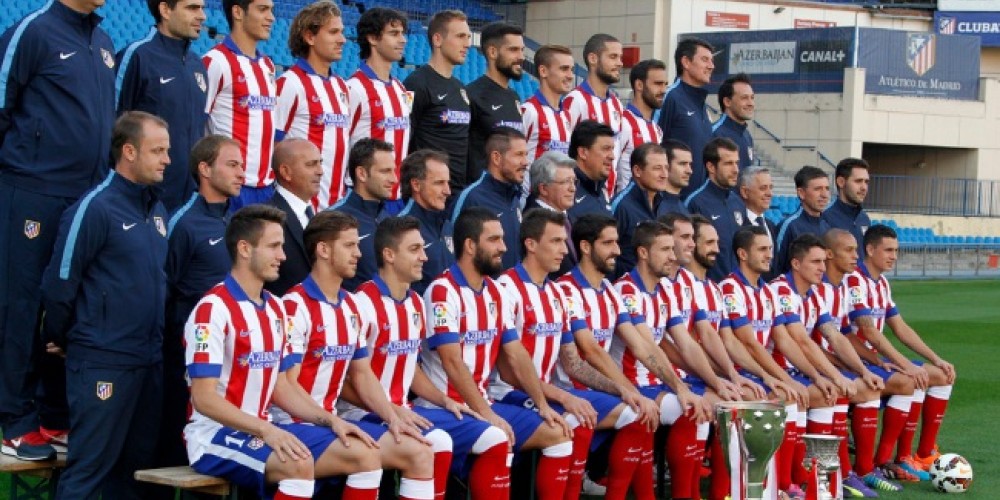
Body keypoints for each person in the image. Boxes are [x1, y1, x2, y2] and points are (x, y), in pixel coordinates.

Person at [183, 205, 386, 500]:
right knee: (298, 464)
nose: (283, 256)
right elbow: (204, 398)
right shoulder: (212, 310)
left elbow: (281, 387)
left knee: (365, 455)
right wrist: (266, 430)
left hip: (264, 427)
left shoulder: (276, 309)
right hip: (214, 434)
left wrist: (331, 420)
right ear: (244, 249)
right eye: (274, 246)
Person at [0, 0, 116, 459]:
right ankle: (14, 419)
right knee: (21, 303)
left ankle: (51, 415)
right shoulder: (32, 32)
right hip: (31, 188)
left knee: (66, 304)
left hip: (85, 196)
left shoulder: (103, 40)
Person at [40, 111, 170, 497]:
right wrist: (66, 337)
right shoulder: (95, 207)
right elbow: (60, 281)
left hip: (149, 360)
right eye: (157, 151)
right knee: (89, 470)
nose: (167, 160)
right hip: (103, 360)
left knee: (135, 474)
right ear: (129, 151)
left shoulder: (158, 211)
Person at [494, 208, 664, 500]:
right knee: (576, 422)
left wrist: (624, 390)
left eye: (564, 241)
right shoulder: (506, 289)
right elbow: (511, 371)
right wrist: (564, 397)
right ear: (531, 244)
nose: (564, 250)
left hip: (547, 390)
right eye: (556, 241)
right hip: (507, 391)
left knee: (636, 412)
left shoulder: (554, 293)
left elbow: (573, 363)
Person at [349, 216, 508, 499]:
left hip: (403, 409)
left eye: (423, 248)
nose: (424, 256)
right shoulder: (362, 304)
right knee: (437, 442)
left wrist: (444, 400)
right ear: (389, 255)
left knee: (493, 438)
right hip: (362, 413)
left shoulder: (414, 302)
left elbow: (410, 368)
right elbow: (348, 377)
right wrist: (389, 410)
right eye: (414, 249)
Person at [281, 211, 435, 499]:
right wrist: (330, 420)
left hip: (330, 423)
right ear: (323, 250)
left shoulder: (351, 306)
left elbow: (362, 374)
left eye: (358, 245)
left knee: (421, 451)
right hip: (292, 424)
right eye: (349, 245)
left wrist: (392, 416)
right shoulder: (295, 306)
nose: (359, 254)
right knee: (367, 457)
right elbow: (286, 385)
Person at [421, 207, 574, 497]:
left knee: (560, 433)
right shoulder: (442, 291)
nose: (503, 247)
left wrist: (541, 403)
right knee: (497, 437)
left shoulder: (496, 291)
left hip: (484, 401)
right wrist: (486, 413)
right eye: (493, 240)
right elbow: (452, 362)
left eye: (502, 239)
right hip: (445, 406)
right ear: (470, 245)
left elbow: (516, 354)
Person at [557, 214, 709, 500]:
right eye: (608, 243)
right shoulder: (569, 289)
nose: (617, 250)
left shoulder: (609, 291)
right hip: (576, 388)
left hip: (610, 388)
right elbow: (590, 350)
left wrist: (681, 387)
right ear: (586, 247)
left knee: (688, 406)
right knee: (640, 413)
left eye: (617, 242)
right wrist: (629, 391)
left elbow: (644, 345)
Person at [721, 226, 847, 499]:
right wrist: (782, 379)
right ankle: (781, 483)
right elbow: (749, 343)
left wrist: (818, 377)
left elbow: (785, 340)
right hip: (740, 372)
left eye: (770, 248)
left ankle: (806, 479)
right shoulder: (730, 288)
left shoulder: (766, 291)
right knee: (790, 396)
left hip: (768, 372)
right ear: (743, 254)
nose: (769, 254)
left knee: (823, 394)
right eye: (762, 249)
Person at [614, 220, 732, 500]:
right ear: (643, 253)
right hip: (631, 383)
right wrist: (680, 387)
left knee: (710, 405)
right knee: (691, 408)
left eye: (672, 248)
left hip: (657, 383)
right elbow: (646, 347)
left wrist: (718, 381)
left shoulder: (665, 289)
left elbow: (687, 343)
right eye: (665, 249)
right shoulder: (626, 290)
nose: (672, 255)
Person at [843, 225, 957, 484]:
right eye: (888, 250)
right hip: (855, 362)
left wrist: (936, 358)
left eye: (896, 251)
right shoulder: (854, 281)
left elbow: (900, 327)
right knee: (910, 379)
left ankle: (921, 454)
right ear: (870, 249)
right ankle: (884, 461)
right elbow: (868, 331)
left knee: (941, 375)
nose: (894, 256)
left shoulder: (881, 283)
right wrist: (905, 364)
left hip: (875, 361)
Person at [161, 134, 244, 481]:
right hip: (190, 358)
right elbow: (164, 289)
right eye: (232, 165)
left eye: (242, 165)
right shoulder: (183, 222)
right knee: (177, 447)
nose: (242, 173)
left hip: (237, 356)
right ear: (205, 169)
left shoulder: (238, 221)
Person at [776, 234, 884, 498]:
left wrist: (864, 371)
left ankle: (826, 477)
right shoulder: (780, 290)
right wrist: (832, 376)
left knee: (858, 389)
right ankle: (802, 480)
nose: (822, 268)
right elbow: (801, 341)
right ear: (796, 264)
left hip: (800, 371)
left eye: (823, 262)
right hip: (780, 371)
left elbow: (834, 335)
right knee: (826, 394)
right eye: (816, 262)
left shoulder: (813, 294)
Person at [821, 228, 915, 493]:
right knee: (853, 390)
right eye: (849, 250)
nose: (856, 255)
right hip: (812, 368)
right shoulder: (827, 289)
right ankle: (844, 473)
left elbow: (845, 335)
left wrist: (871, 364)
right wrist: (857, 369)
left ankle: (870, 467)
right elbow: (807, 343)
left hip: (839, 363)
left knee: (911, 380)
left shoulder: (843, 288)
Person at [116, 0, 208, 212]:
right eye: (192, 8)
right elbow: (112, 123)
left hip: (188, 200)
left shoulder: (197, 65)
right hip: (143, 199)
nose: (202, 16)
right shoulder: (137, 56)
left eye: (202, 8)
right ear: (165, 9)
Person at [275, 0, 352, 209]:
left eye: (342, 32)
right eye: (333, 32)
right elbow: (274, 145)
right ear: (310, 37)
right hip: (303, 207)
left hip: (337, 207)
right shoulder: (289, 84)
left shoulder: (341, 86)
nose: (342, 39)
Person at [203, 0, 278, 210]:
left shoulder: (267, 65)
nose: (271, 17)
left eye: (271, 10)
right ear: (237, 12)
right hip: (230, 188)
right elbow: (197, 123)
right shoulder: (215, 62)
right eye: (262, 9)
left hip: (266, 187)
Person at [347, 7, 410, 212]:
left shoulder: (400, 88)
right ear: (373, 38)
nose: (402, 40)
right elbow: (341, 142)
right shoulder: (354, 88)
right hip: (365, 199)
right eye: (394, 33)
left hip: (396, 197)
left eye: (402, 33)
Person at [403, 10, 472, 193]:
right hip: (428, 191)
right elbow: (404, 136)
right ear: (437, 40)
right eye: (460, 36)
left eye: (468, 37)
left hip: (457, 191)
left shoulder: (460, 88)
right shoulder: (415, 83)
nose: (467, 44)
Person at [450, 128, 528, 271]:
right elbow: (452, 251)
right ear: (496, 158)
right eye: (519, 155)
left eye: (526, 155)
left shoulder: (515, 196)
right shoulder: (472, 197)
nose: (525, 162)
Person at [562, 34, 624, 200]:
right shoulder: (575, 100)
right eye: (613, 57)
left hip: (607, 196)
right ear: (593, 59)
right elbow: (566, 150)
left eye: (620, 57)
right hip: (580, 194)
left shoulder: (616, 104)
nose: (620, 63)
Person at [328, 139, 394, 291]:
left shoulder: (389, 218)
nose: (394, 179)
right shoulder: (333, 219)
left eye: (393, 171)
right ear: (362, 174)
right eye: (385, 171)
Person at [466, 22, 527, 182]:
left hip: (510, 190)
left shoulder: (514, 97)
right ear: (492, 52)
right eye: (513, 50)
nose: (521, 57)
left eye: (522, 50)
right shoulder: (472, 95)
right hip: (482, 190)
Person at [658, 37, 715, 198]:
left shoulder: (703, 106)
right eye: (705, 60)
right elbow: (653, 145)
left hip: (697, 202)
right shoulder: (669, 98)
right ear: (686, 62)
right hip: (672, 201)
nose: (711, 66)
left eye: (711, 61)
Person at [265, 139, 324, 296]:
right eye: (311, 164)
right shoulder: (265, 218)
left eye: (320, 163)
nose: (320, 171)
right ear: (286, 172)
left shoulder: (315, 215)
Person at [684, 137, 746, 281]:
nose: (736, 170)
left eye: (736, 163)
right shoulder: (695, 203)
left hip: (735, 289)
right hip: (706, 286)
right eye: (728, 163)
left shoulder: (738, 202)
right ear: (711, 167)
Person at [397, 150, 455, 295]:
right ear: (416, 185)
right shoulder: (400, 228)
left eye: (448, 183)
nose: (447, 191)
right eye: (439, 183)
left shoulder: (447, 225)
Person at [611, 143, 670, 278]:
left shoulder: (663, 203)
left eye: (666, 168)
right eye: (657, 168)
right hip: (625, 286)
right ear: (637, 171)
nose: (664, 174)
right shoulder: (621, 205)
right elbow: (605, 251)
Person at [525, 152, 578, 278]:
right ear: (543, 188)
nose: (573, 188)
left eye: (574, 181)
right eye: (566, 182)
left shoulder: (569, 217)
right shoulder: (532, 221)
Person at [617, 59, 667, 191]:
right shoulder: (622, 122)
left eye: (665, 84)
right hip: (626, 200)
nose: (663, 90)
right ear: (639, 85)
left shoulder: (657, 130)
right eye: (658, 84)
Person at [521, 45, 574, 167]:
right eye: (564, 69)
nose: (570, 75)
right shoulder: (529, 111)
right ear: (543, 71)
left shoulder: (566, 114)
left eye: (572, 69)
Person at [774, 166, 831, 275]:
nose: (824, 195)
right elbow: (776, 267)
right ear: (801, 193)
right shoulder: (789, 226)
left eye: (827, 189)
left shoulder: (827, 226)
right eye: (818, 189)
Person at [566, 120, 617, 222]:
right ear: (583, 153)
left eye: (612, 149)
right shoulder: (565, 190)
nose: (612, 156)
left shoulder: (601, 188)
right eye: (605, 149)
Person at [822, 158, 872, 257]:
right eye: (858, 181)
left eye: (866, 182)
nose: (864, 187)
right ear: (841, 182)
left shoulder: (864, 218)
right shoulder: (825, 218)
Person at [736, 166, 776, 279]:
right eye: (763, 188)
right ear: (745, 192)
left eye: (771, 187)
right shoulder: (737, 225)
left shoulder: (771, 226)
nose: (769, 193)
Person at [711, 73, 755, 170]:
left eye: (752, 98)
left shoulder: (747, 136)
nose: (751, 103)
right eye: (744, 98)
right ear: (727, 102)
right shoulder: (713, 134)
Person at [661, 139, 692, 215]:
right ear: (666, 166)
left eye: (690, 164)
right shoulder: (655, 206)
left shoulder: (683, 207)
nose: (689, 171)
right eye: (682, 164)